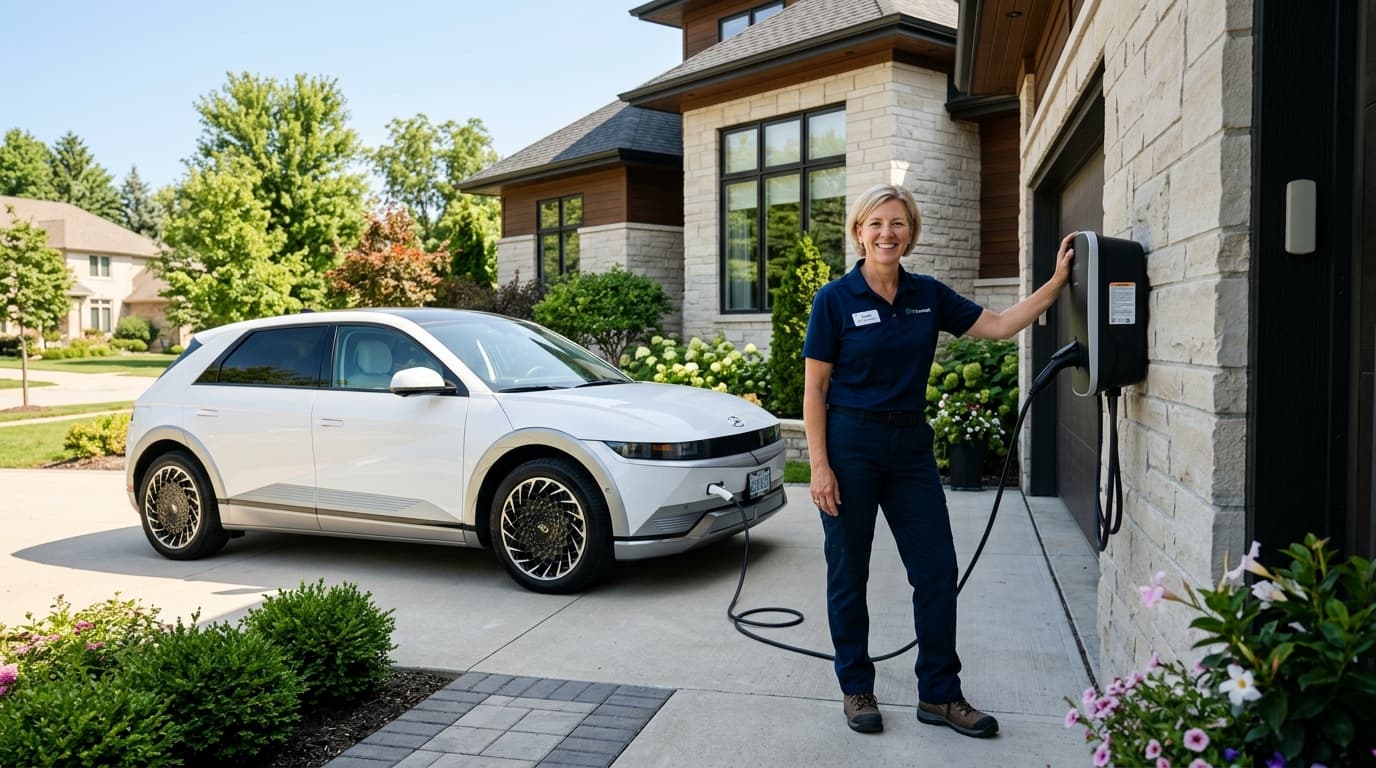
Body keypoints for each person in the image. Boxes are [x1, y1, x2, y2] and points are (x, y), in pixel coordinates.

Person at [801, 183, 1074, 737]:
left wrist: (1056, 284)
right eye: (876, 223)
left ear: (911, 233)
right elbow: (814, 389)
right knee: (848, 572)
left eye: (897, 223)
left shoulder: (927, 295)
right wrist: (820, 466)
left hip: (910, 450)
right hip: (851, 444)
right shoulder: (835, 299)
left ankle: (939, 695)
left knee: (936, 570)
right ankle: (857, 687)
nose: (887, 233)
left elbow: (997, 326)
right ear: (859, 231)